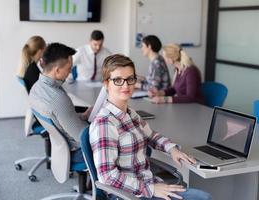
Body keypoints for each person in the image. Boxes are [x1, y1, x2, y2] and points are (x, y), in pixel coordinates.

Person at [90, 54, 212, 200]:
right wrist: (151, 189)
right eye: (117, 80)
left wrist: (171, 148)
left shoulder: (130, 114)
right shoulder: (105, 123)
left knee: (203, 197)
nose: (126, 85)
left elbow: (151, 135)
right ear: (106, 84)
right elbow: (108, 177)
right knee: (204, 198)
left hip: (148, 184)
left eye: (130, 79)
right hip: (128, 194)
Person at [29, 43, 91, 163]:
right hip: (76, 151)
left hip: (60, 148)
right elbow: (83, 137)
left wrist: (82, 116)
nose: (70, 73)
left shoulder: (36, 88)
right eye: (69, 69)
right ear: (57, 70)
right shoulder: (58, 98)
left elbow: (58, 118)